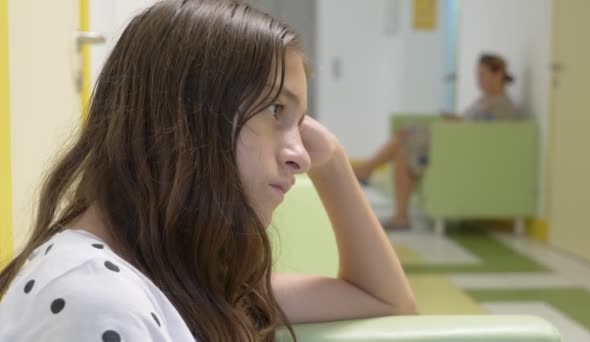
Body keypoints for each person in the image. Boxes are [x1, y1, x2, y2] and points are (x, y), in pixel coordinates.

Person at [0, 1, 416, 341]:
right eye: (276, 110)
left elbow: (384, 299)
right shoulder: (94, 299)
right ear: (186, 114)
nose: (301, 156)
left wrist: (335, 163)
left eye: (301, 123)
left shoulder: (173, 271)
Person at [353, 53, 522, 229]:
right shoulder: (482, 101)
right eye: (477, 74)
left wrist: (460, 123)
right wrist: (456, 119)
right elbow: (471, 123)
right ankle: (400, 215)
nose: (478, 80)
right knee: (402, 151)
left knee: (405, 136)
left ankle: (367, 169)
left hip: (462, 152)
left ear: (499, 74)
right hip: (453, 144)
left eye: (483, 74)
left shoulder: (503, 105)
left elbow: (487, 137)